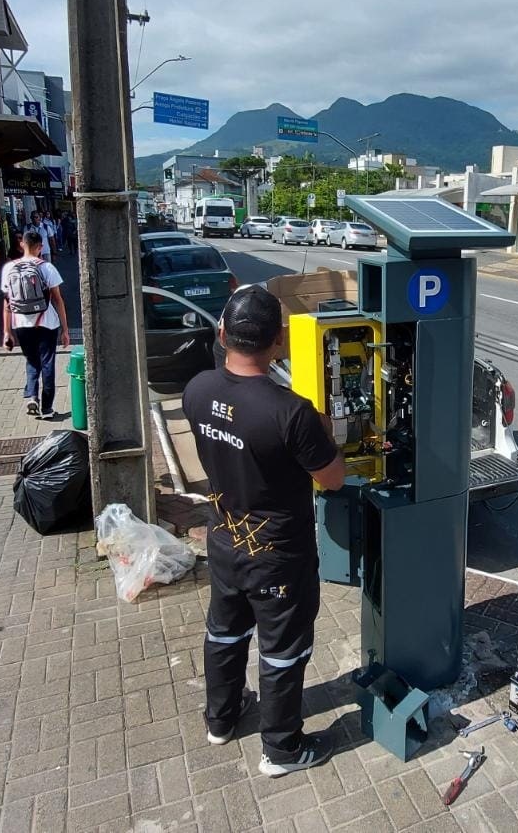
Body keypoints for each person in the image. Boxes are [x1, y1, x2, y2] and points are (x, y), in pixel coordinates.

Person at [182, 287, 345, 777]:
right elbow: (332, 477)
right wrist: (325, 430)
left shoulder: (197, 390)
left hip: (224, 543)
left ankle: (221, 719)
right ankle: (281, 749)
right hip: (277, 556)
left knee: (225, 633)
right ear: (279, 340)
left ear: (222, 333)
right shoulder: (290, 412)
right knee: (283, 651)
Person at [1, 230, 70, 419]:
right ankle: (47, 408)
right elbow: (58, 300)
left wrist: (7, 332)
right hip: (47, 323)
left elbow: (7, 303)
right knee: (47, 363)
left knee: (32, 361)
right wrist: (65, 330)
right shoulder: (46, 268)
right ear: (40, 247)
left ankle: (32, 396)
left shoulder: (9, 268)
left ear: (22, 244)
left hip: (21, 323)